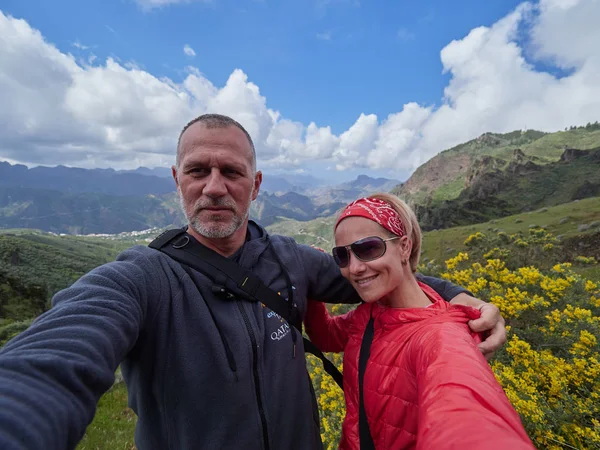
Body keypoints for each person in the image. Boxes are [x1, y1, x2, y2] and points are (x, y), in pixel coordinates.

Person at [0, 114, 506, 450]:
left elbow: (376, 274)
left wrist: (458, 297)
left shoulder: (292, 260)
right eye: (198, 171)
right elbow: (49, 363)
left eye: (232, 172)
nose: (214, 187)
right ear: (177, 179)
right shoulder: (140, 280)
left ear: (256, 185)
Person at [304, 194, 534, 450]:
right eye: (342, 257)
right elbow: (326, 336)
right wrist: (307, 280)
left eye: (367, 248)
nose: (355, 268)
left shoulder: (442, 335)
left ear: (404, 247)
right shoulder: (369, 314)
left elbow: (466, 415)